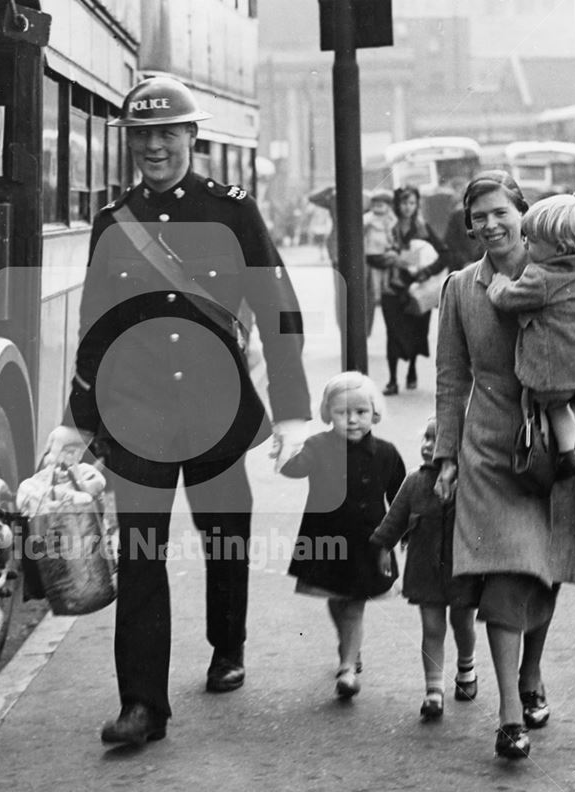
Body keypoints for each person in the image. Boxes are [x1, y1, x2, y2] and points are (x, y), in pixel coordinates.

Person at [46, 75, 311, 746]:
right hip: (135, 415)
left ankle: (227, 646)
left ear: (194, 138)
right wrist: (76, 422)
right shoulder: (114, 221)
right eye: (143, 135)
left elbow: (279, 312)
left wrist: (291, 412)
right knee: (139, 558)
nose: (155, 147)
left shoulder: (232, 211)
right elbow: (96, 330)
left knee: (226, 536)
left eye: (168, 133)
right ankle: (143, 707)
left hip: (218, 410)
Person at [433, 170, 575, 760]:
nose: (488, 225)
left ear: (523, 212)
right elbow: (450, 378)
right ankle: (510, 714)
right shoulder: (462, 288)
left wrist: (569, 392)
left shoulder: (569, 269)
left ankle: (530, 674)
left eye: (498, 213)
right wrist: (444, 456)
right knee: (509, 568)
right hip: (489, 445)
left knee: (547, 567)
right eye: (477, 217)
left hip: (554, 446)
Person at [486, 190, 575, 479]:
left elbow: (508, 300)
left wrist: (498, 284)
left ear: (559, 247)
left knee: (549, 404)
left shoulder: (539, 277)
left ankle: (565, 452)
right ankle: (569, 451)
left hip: (555, 373)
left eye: (533, 240)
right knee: (563, 404)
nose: (525, 244)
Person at [280, 372, 405, 699]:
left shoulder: (387, 453)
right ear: (327, 413)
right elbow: (295, 468)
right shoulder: (317, 446)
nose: (352, 420)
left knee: (353, 604)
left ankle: (347, 667)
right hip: (327, 540)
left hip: (368, 542)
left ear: (374, 413)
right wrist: (285, 448)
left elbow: (400, 497)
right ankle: (348, 646)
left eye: (361, 413)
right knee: (337, 598)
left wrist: (402, 534)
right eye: (341, 413)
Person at [370, 417, 478, 721]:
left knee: (462, 624)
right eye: (426, 438)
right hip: (424, 569)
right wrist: (383, 547)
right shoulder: (415, 480)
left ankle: (466, 667)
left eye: (438, 440)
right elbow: (395, 518)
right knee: (431, 628)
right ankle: (433, 691)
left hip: (462, 571)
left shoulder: (470, 482)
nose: (429, 445)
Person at [379, 185, 448, 395]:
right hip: (393, 288)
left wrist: (426, 271)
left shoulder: (423, 228)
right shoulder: (387, 228)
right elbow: (373, 254)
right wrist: (391, 260)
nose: (407, 207)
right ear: (396, 204)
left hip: (418, 289)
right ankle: (392, 379)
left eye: (412, 203)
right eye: (404, 202)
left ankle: (411, 369)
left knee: (418, 330)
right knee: (393, 332)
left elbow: (445, 254)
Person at [362, 188, 395, 336]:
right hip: (371, 251)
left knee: (386, 272)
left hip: (384, 249)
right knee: (374, 275)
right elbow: (363, 226)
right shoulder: (368, 218)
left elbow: (394, 228)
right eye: (376, 205)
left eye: (382, 205)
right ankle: (377, 294)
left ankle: (385, 288)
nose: (378, 209)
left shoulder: (390, 218)